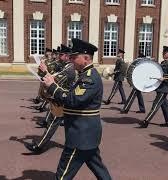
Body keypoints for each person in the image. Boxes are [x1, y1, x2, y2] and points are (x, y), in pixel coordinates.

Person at [42, 39, 111, 180]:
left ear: (86, 58)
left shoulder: (89, 78)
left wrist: (52, 87)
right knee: (99, 170)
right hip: (86, 135)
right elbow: (73, 98)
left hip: (80, 135)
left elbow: (73, 100)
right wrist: (53, 93)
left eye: (74, 57)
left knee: (62, 175)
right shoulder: (85, 75)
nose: (71, 60)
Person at [25, 44, 76, 153]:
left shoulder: (69, 68)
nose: (58, 56)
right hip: (62, 98)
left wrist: (45, 70)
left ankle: (39, 146)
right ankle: (74, 146)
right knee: (70, 125)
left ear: (67, 56)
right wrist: (43, 70)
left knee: (53, 123)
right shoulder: (64, 65)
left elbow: (55, 80)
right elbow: (50, 76)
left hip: (64, 99)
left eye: (61, 54)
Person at [140, 46, 168, 128]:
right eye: (163, 53)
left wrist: (164, 78)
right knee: (164, 106)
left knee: (155, 104)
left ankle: (146, 121)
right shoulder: (164, 62)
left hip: (164, 88)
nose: (163, 54)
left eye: (164, 53)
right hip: (160, 87)